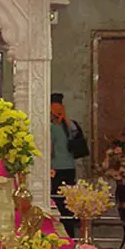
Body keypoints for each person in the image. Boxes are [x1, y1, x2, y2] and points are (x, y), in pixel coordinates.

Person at [50, 101, 77, 237]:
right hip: (70, 168)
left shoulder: (52, 128)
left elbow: (50, 150)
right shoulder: (70, 126)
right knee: (69, 201)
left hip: (55, 168)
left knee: (57, 201)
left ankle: (63, 233)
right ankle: (71, 232)